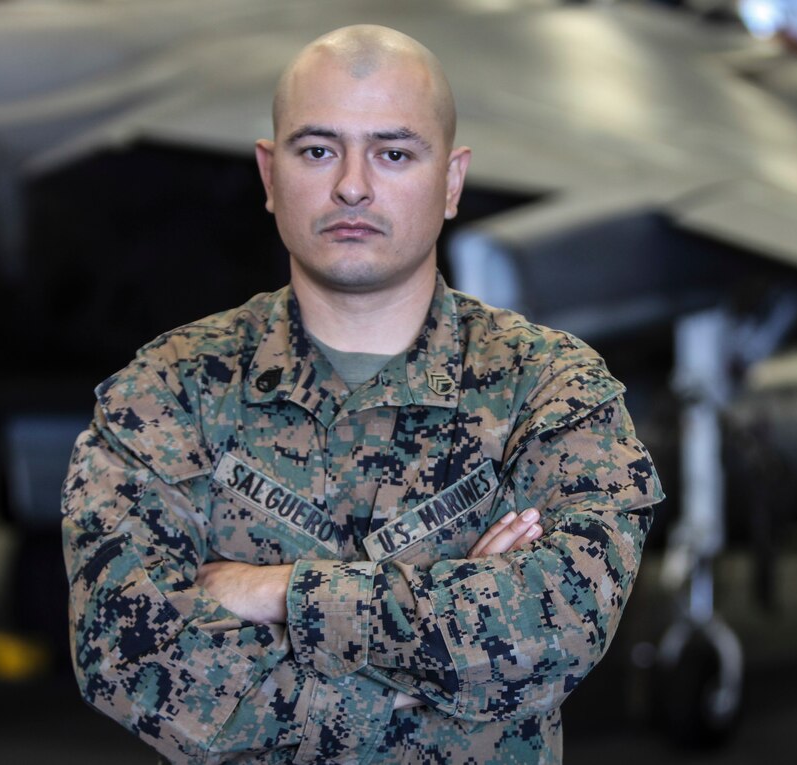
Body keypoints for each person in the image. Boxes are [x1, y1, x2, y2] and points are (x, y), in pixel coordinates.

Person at [61, 24, 662, 764]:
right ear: (269, 174)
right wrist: (443, 659)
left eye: (393, 153)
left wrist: (276, 593)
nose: (352, 185)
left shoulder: (550, 389)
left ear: (452, 181)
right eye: (318, 151)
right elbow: (125, 652)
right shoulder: (170, 387)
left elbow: (556, 628)